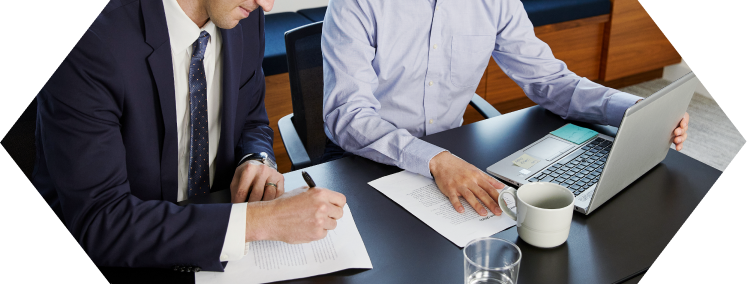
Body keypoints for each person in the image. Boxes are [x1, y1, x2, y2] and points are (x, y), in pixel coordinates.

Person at [33, 0, 345, 272]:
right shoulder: (91, 43)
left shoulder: (244, 17)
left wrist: (257, 159)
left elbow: (252, 119)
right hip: (125, 249)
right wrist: (262, 221)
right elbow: (101, 223)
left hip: (221, 236)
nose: (267, 4)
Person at [320, 0, 689, 217]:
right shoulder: (357, 4)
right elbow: (348, 116)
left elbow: (551, 82)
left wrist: (635, 108)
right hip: (363, 161)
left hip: (454, 153)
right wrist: (435, 160)